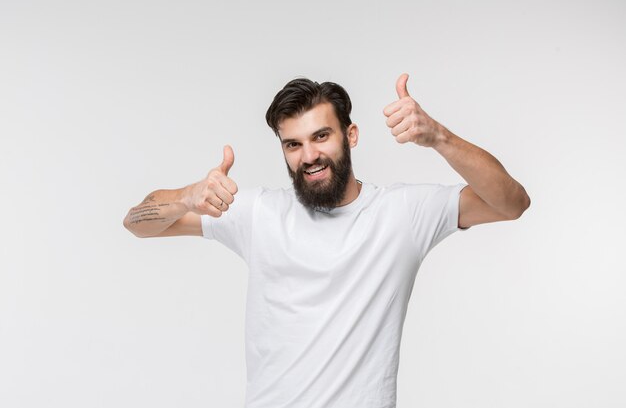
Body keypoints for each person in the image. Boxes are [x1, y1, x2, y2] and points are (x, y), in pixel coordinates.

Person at [123, 73, 530, 408]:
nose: (309, 155)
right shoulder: (257, 214)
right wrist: (185, 197)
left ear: (351, 135)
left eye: (321, 136)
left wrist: (439, 137)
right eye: (293, 144)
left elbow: (512, 203)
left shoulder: (402, 213)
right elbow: (137, 223)